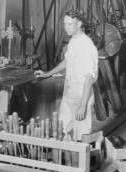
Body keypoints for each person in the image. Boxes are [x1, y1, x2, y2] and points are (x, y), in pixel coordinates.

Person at [35, 10, 98, 140]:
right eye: (65, 24)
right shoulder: (73, 41)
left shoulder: (86, 45)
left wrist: (83, 105)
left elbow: (89, 78)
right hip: (69, 93)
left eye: (70, 24)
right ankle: (65, 157)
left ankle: (79, 158)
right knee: (62, 129)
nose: (66, 27)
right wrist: (47, 74)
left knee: (81, 136)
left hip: (81, 96)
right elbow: (67, 61)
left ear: (79, 23)